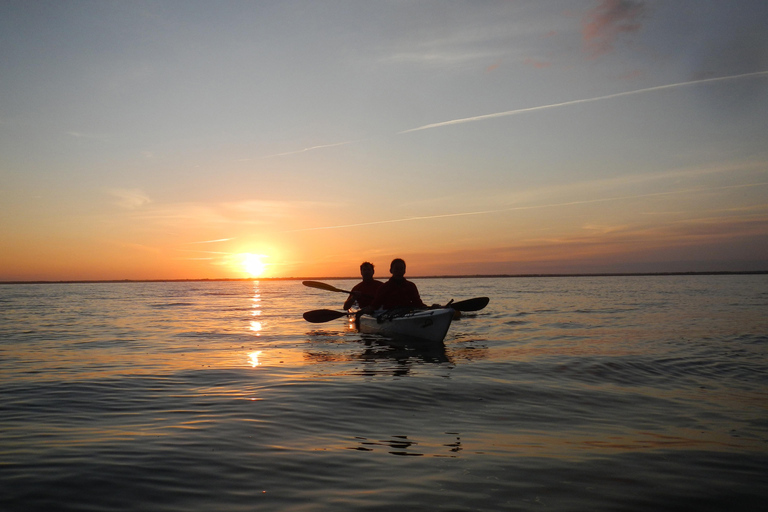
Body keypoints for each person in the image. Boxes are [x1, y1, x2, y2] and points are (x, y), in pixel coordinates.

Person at [362, 258, 438, 313]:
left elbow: (418, 304)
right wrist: (364, 311)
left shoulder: (411, 286)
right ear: (391, 270)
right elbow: (375, 306)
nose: (399, 271)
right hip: (389, 315)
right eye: (396, 269)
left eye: (401, 269)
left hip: (408, 314)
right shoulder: (384, 287)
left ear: (404, 270)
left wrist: (432, 308)